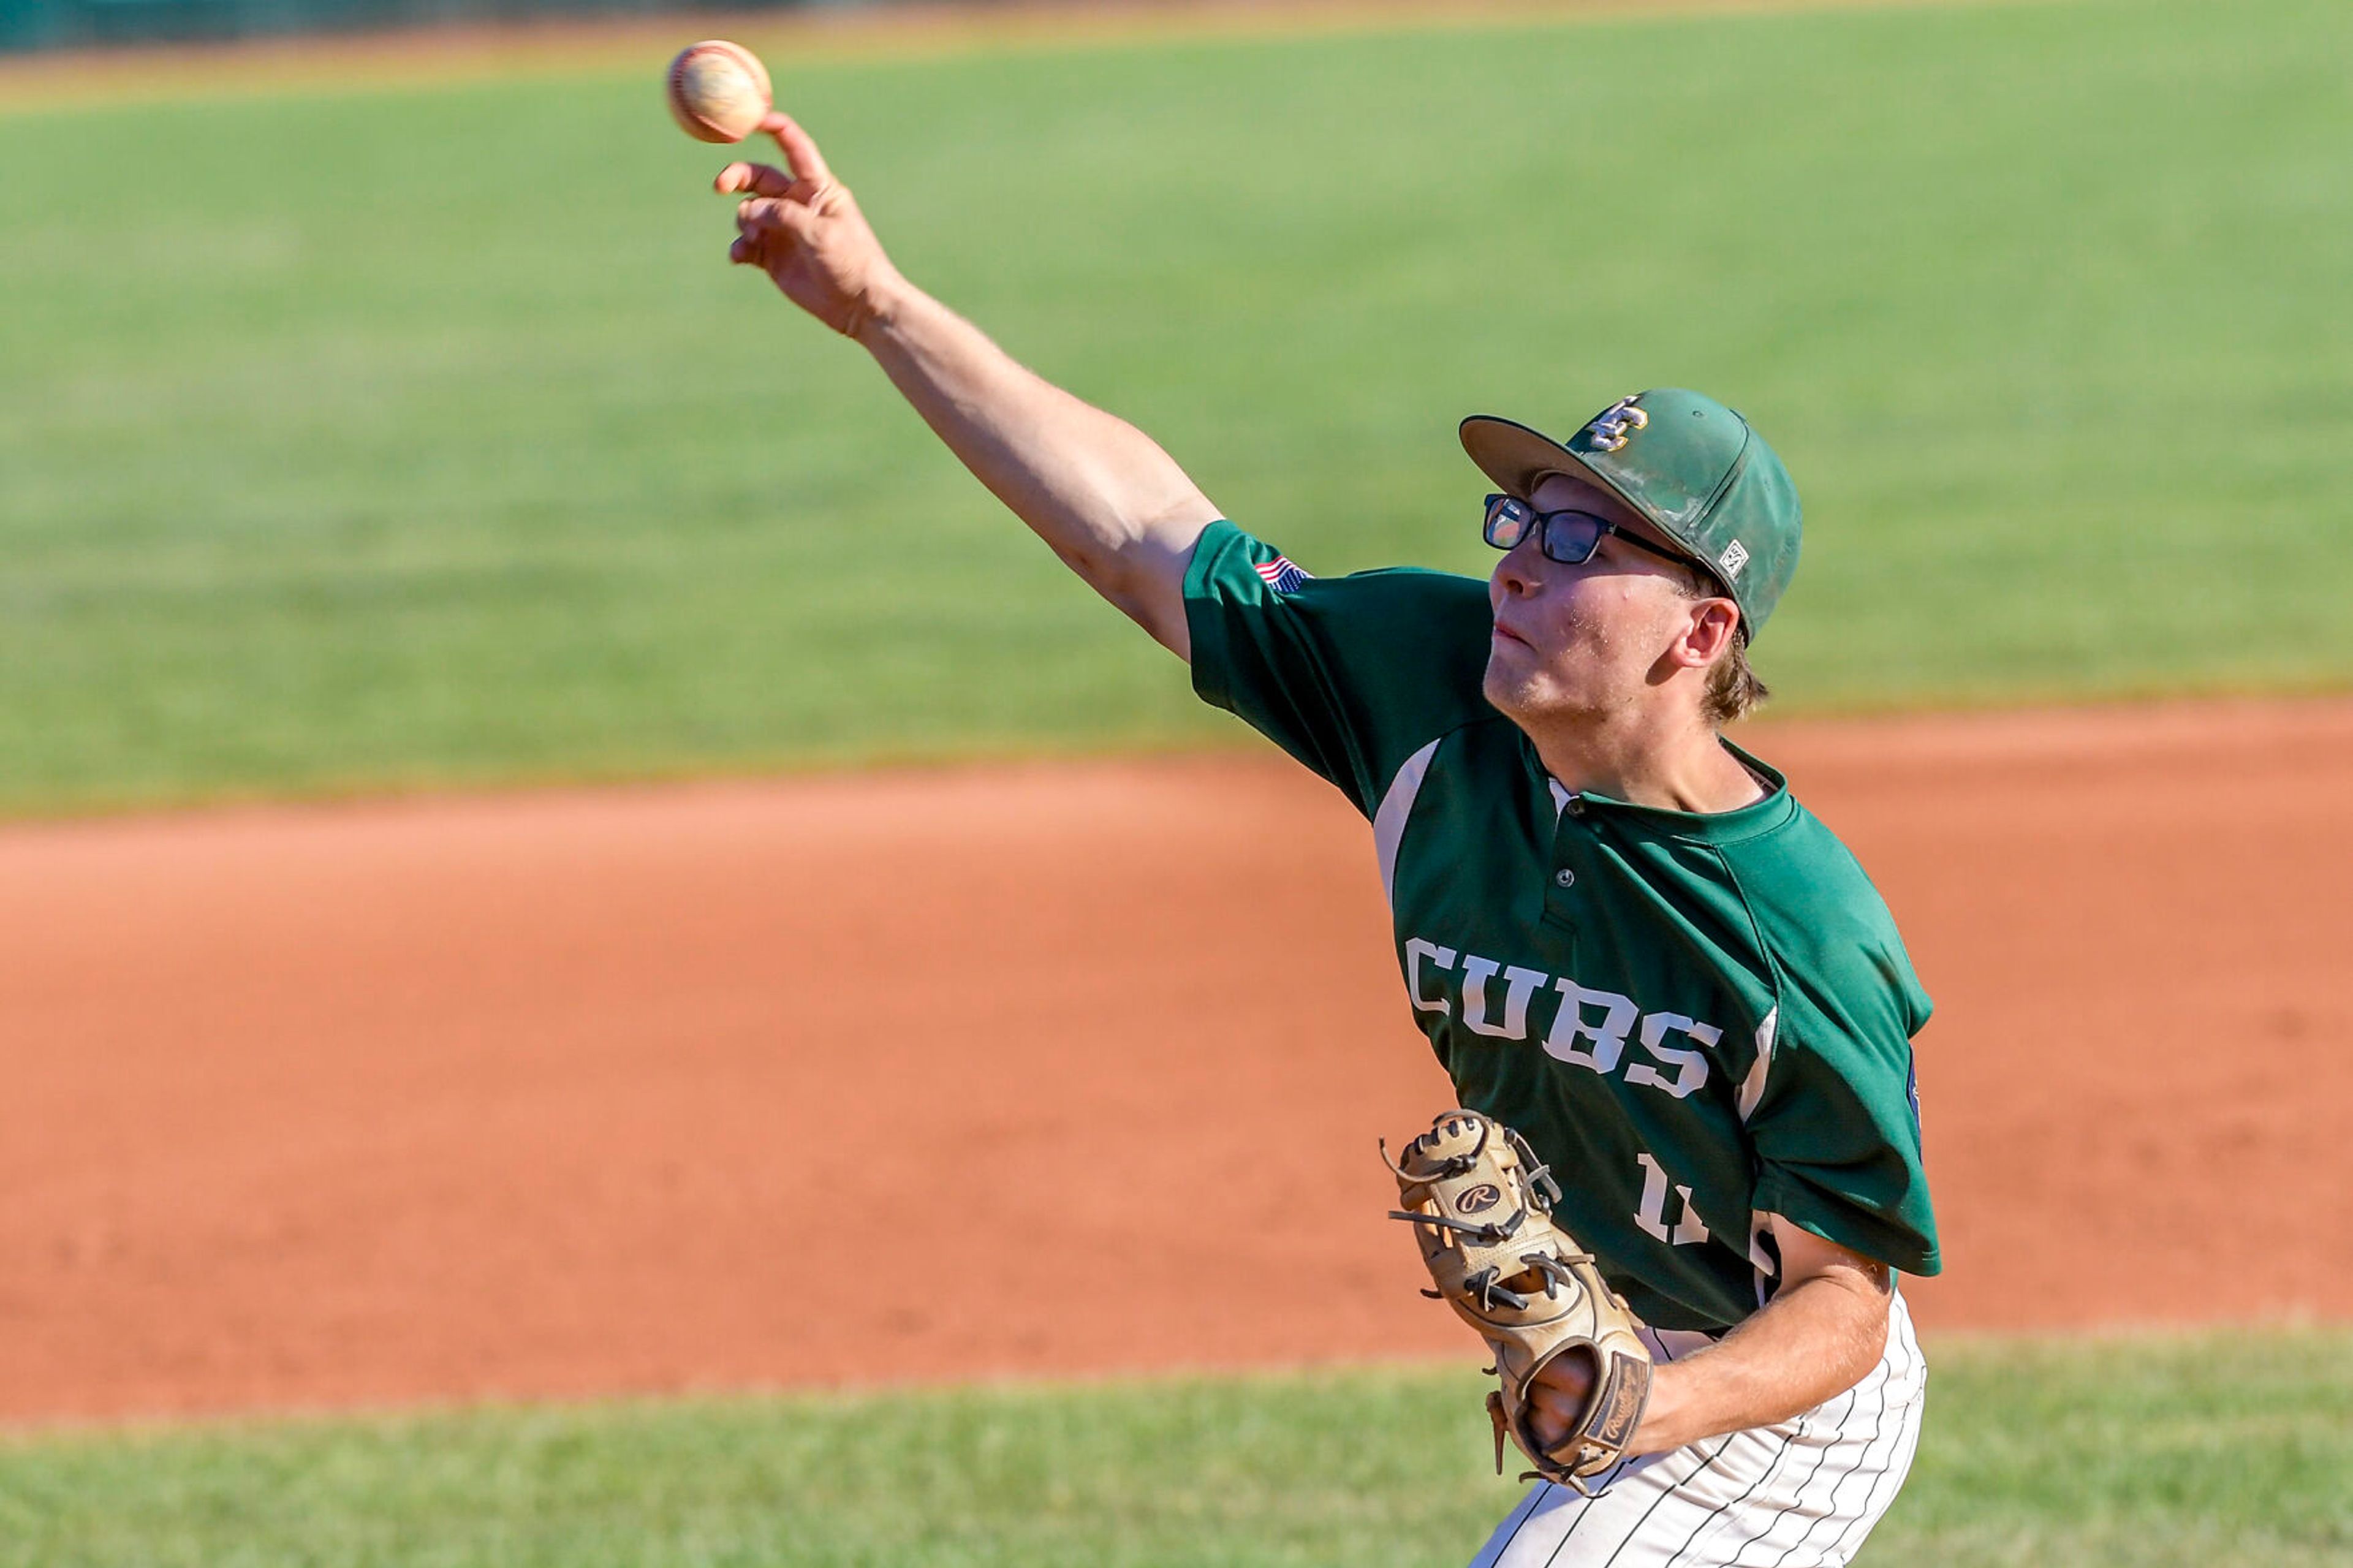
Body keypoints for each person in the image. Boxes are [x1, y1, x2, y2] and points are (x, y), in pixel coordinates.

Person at [716, 115, 1938, 1568]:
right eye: (1520, 519)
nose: (1515, 568)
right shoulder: (1428, 677)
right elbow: (1143, 534)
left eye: (1577, 544)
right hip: (1623, 1358)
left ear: (1703, 628)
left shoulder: (1800, 925)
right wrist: (880, 306)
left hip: (1770, 1405)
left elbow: (1842, 1303)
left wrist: (1648, 1405)